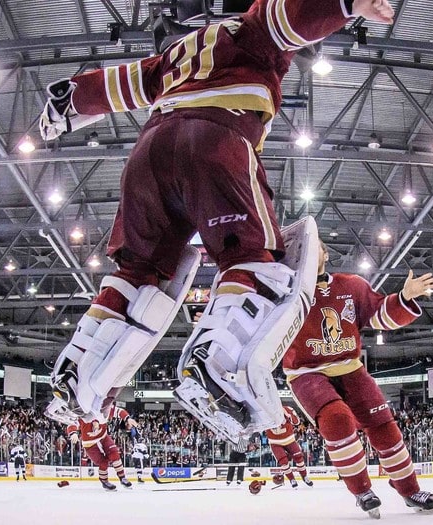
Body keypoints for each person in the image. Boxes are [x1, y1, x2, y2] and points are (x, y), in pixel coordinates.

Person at [40, 0, 397, 444]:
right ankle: (217, 365)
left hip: (147, 154)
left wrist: (67, 103)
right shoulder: (250, 28)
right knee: (252, 258)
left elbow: (122, 85)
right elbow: (292, 17)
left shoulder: (174, 53)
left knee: (137, 273)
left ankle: (79, 370)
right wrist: (347, 6)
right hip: (217, 137)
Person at [283, 241, 433, 517]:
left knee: (384, 426)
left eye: (316, 246)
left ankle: (409, 489)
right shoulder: (284, 289)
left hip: (350, 367)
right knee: (337, 419)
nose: (310, 251)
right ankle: (362, 490)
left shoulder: (351, 285)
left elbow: (378, 316)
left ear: (326, 254)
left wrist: (404, 297)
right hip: (306, 371)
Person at [67, 406, 133, 491]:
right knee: (103, 462)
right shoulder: (83, 412)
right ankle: (104, 481)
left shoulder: (102, 408)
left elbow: (118, 411)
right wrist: (73, 433)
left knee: (114, 454)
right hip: (90, 444)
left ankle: (122, 478)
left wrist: (127, 418)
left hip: (103, 437)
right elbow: (71, 423)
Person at [264, 405, 311, 488]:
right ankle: (292, 479)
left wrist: (289, 415)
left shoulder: (287, 409)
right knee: (284, 462)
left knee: (299, 458)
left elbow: (297, 422)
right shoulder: (263, 412)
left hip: (290, 440)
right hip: (275, 443)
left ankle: (304, 476)